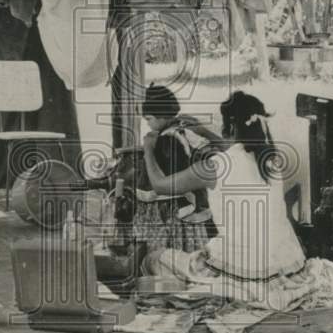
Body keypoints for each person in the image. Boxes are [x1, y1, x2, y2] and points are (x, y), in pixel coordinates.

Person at [142, 90, 306, 281]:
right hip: (287, 264)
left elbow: (159, 185)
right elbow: (237, 151)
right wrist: (202, 131)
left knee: (154, 259)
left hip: (245, 268)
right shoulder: (271, 162)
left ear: (229, 127)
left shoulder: (214, 167)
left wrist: (148, 149)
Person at [129, 84, 219, 252]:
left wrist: (148, 149)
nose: (147, 124)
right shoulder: (184, 129)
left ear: (161, 115)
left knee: (169, 253)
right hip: (195, 199)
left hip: (173, 206)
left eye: (149, 119)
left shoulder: (166, 140)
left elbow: (162, 183)